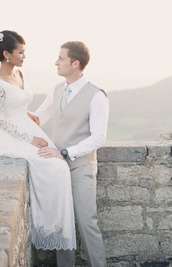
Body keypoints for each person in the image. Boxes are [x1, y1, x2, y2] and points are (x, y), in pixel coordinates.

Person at [0, 30, 76, 253]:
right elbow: (0, 119)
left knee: (60, 166)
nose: (24, 56)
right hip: (13, 137)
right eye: (21, 52)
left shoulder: (20, 75)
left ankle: (52, 224)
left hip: (29, 128)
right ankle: (46, 224)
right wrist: (30, 138)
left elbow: (19, 108)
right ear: (6, 53)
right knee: (53, 167)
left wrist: (32, 118)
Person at [32, 41, 109, 267]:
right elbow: (39, 118)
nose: (56, 62)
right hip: (57, 168)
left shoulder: (97, 96)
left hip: (81, 166)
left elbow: (98, 138)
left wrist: (65, 152)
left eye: (61, 58)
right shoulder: (56, 89)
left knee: (87, 222)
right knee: (61, 224)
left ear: (75, 63)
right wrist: (11, 113)